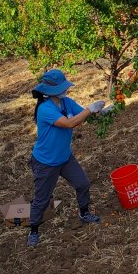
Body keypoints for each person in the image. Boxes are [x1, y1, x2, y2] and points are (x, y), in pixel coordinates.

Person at [27, 69, 106, 247]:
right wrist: (89, 108)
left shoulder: (66, 102)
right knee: (42, 199)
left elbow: (82, 116)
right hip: (46, 162)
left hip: (64, 158)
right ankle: (33, 230)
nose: (66, 90)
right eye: (62, 87)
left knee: (83, 184)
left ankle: (84, 212)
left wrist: (102, 112)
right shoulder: (45, 109)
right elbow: (70, 123)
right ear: (50, 90)